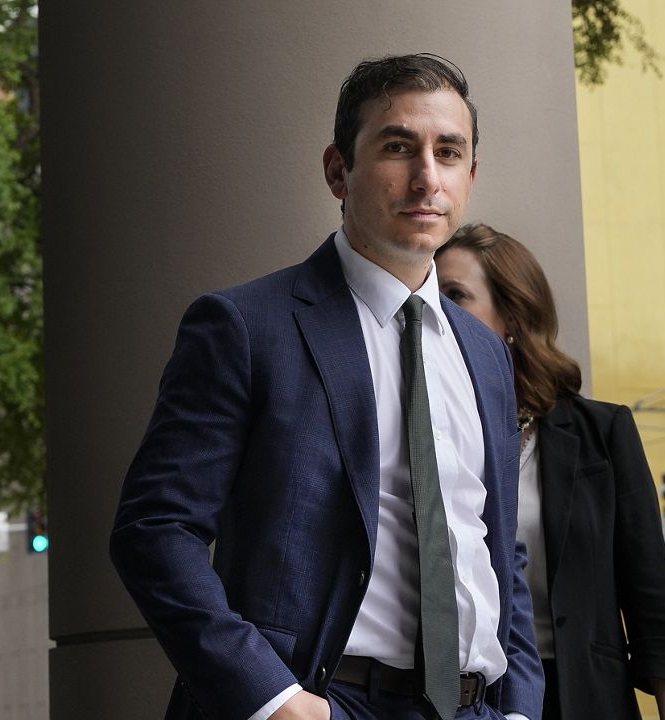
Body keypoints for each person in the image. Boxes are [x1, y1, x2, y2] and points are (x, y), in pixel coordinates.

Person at [110, 54, 543, 720]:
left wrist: (518, 706)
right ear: (339, 170)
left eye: (449, 152)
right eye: (399, 148)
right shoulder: (246, 327)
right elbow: (154, 529)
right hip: (323, 701)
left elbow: (493, 542)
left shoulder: (484, 351)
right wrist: (271, 697)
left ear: (470, 175)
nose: (427, 177)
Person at [434, 223, 665, 719]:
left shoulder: (602, 433)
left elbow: (651, 595)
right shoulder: (430, 438)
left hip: (587, 697)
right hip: (477, 698)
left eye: (456, 296)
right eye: (433, 295)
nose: (440, 313)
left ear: (511, 316)